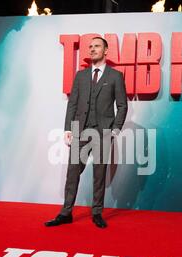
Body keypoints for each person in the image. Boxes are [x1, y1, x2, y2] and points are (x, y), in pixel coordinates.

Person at [45, 37, 128, 228]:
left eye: (97, 46)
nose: (92, 49)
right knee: (73, 172)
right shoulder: (80, 76)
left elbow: (122, 105)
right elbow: (72, 103)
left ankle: (97, 213)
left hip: (103, 133)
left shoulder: (115, 76)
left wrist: (115, 129)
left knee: (99, 174)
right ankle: (66, 213)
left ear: (106, 51)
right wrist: (68, 128)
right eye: (90, 47)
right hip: (80, 131)